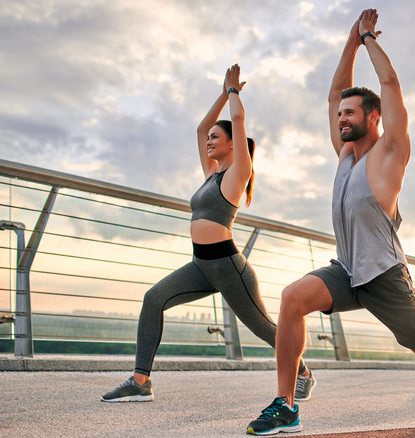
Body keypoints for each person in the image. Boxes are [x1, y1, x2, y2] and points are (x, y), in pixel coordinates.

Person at [246, 10, 415, 435]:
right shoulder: (345, 156)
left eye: (350, 113)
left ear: (373, 117)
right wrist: (349, 43)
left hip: (384, 275)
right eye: (341, 113)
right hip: (347, 270)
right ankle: (286, 406)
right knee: (292, 298)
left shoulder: (389, 156)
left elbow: (391, 85)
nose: (341, 118)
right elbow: (332, 97)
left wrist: (368, 38)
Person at [100, 64, 316, 403]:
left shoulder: (236, 174)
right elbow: (202, 127)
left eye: (217, 138)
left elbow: (240, 122)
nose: (210, 141)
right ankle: (140, 381)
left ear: (233, 144)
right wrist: (221, 91)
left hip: (230, 269)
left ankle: (303, 373)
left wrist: (234, 93)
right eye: (210, 138)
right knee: (153, 299)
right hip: (200, 265)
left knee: (263, 328)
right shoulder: (211, 174)